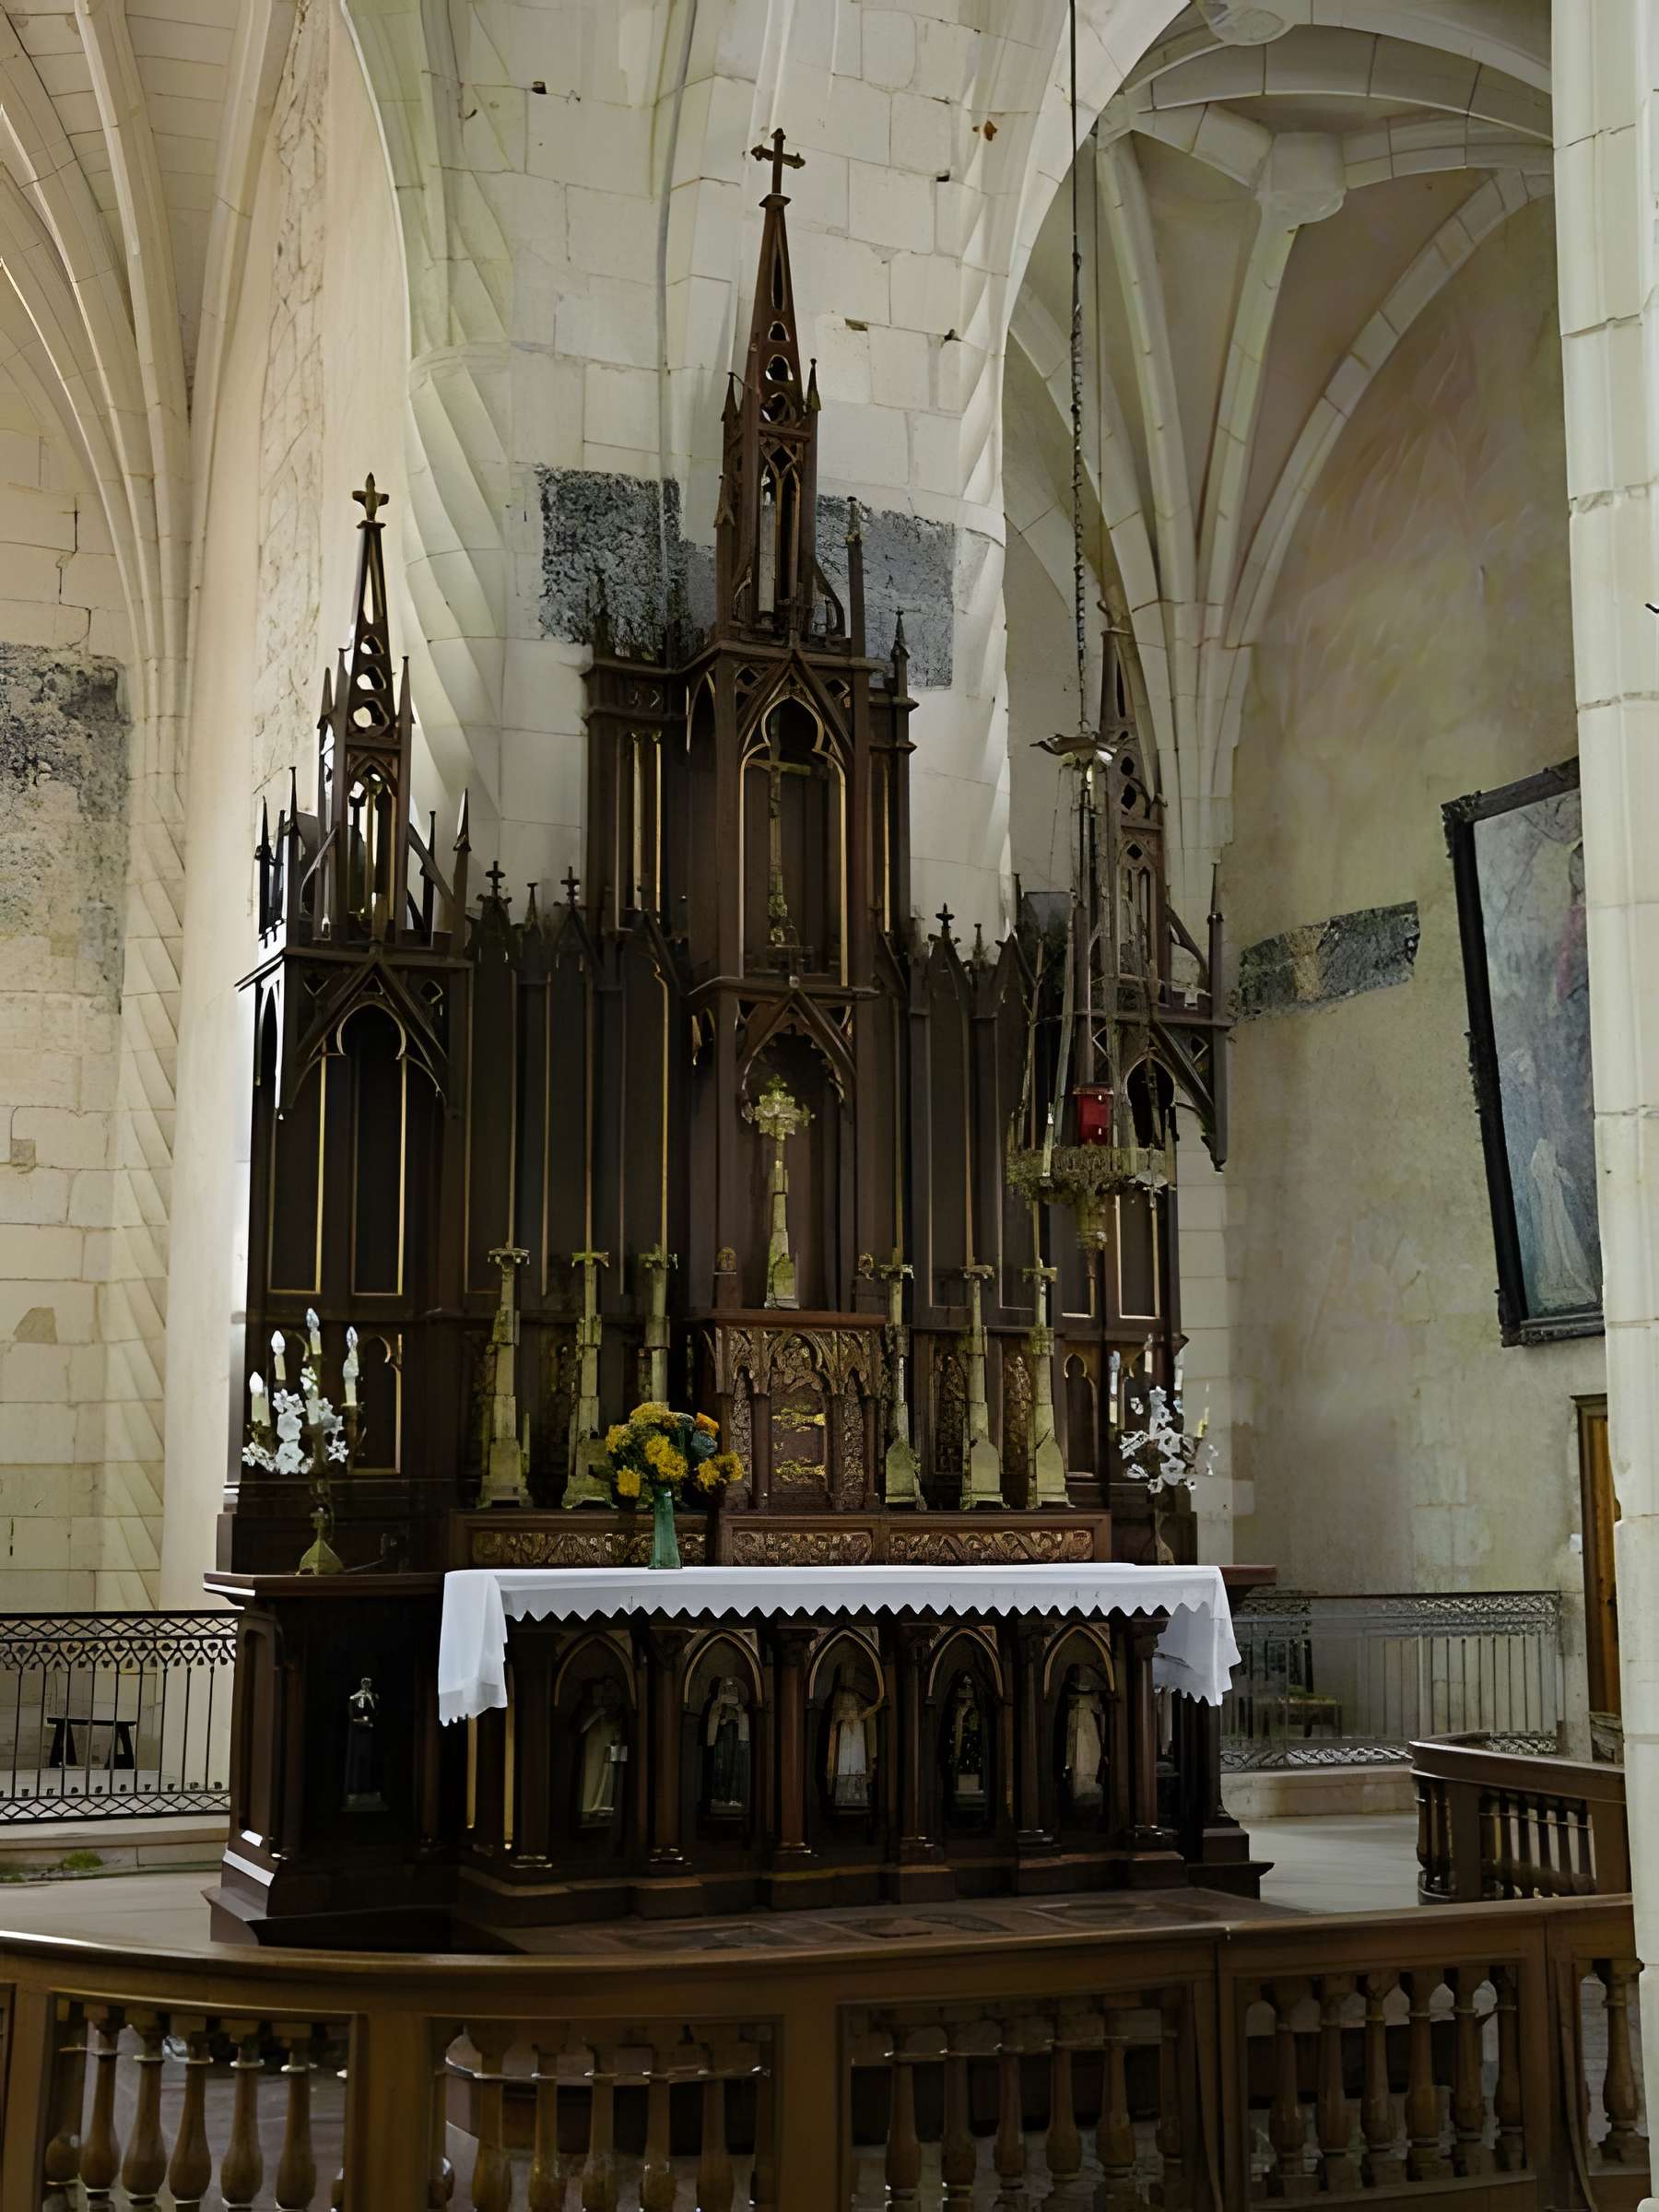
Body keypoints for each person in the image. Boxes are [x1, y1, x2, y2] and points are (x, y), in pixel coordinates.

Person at [826, 1664, 884, 1809]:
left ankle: (857, 1797)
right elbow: (836, 1717)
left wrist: (877, 1705)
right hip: (846, 1733)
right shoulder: (838, 1696)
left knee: (857, 1762)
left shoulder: (856, 1695)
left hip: (857, 1732)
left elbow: (863, 1713)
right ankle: (843, 1797)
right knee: (845, 1764)